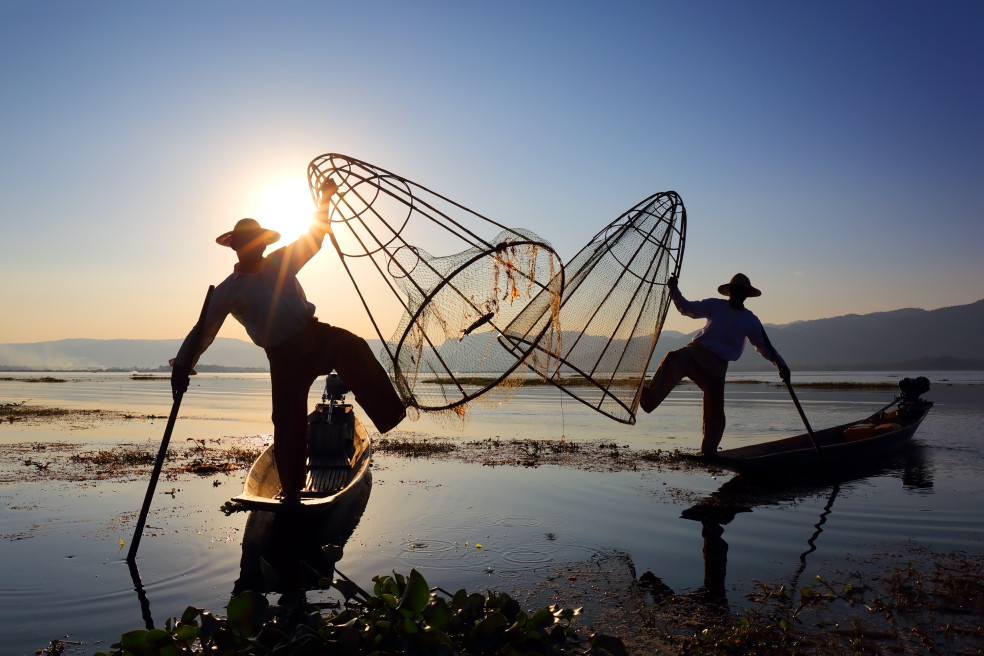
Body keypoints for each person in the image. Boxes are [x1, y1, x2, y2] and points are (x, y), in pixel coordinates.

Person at [171, 179, 405, 502]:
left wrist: (324, 199)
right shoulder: (229, 290)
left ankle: (390, 413)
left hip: (314, 336)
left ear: (262, 244)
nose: (253, 247)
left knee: (352, 346)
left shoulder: (281, 260)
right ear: (238, 248)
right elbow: (203, 330)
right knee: (287, 422)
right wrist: (182, 365)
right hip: (282, 357)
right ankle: (292, 492)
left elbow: (314, 239)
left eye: (256, 242)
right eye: (246, 243)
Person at [639, 273, 790, 456]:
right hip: (695, 353)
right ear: (730, 291)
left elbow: (764, 347)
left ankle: (708, 451)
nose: (738, 294)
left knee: (715, 413)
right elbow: (687, 308)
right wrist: (674, 290)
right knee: (672, 359)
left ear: (746, 295)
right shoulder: (715, 306)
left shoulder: (750, 320)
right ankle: (647, 397)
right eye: (735, 290)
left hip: (716, 367)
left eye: (742, 292)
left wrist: (781, 365)